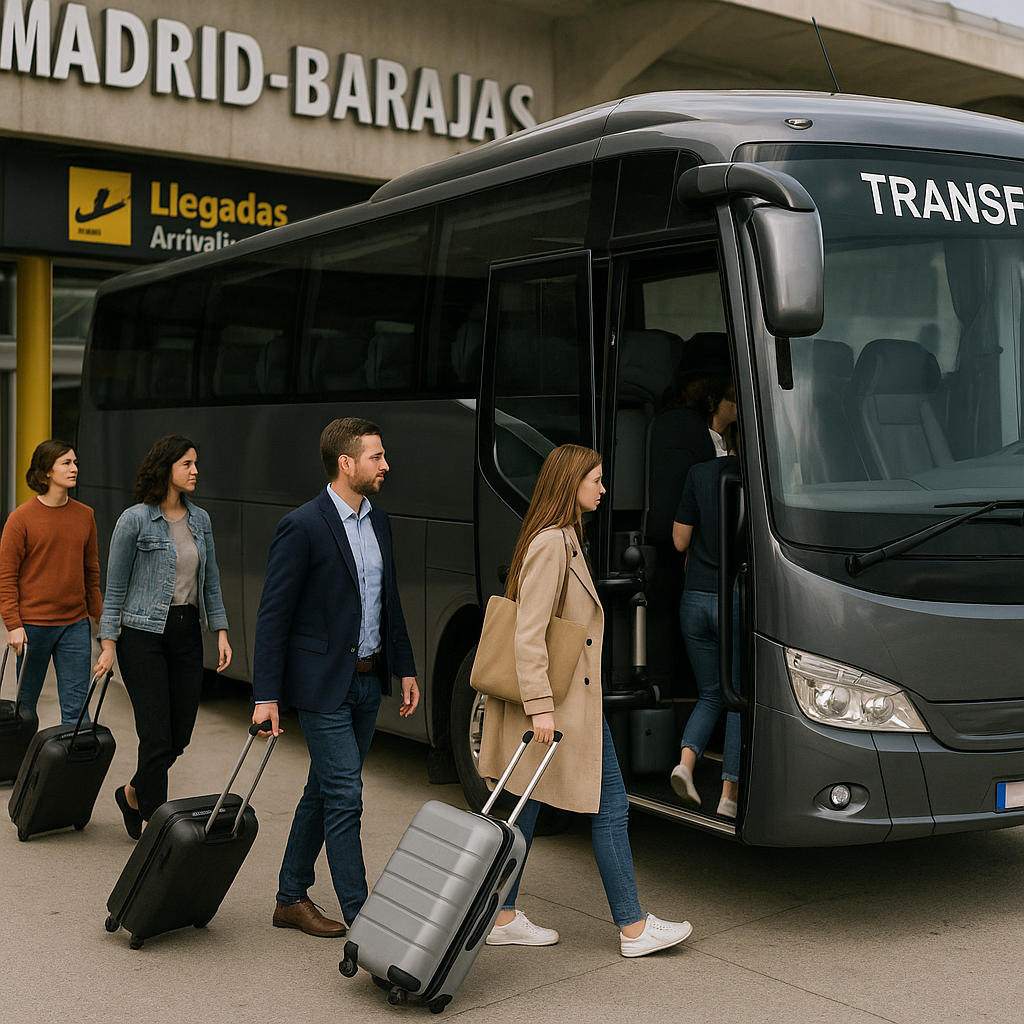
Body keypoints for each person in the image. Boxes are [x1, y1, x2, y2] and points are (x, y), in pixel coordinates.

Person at [478, 444, 693, 958]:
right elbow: (529, 634)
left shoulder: (567, 538)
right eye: (595, 479)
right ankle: (634, 929)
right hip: (560, 709)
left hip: (569, 707)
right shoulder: (553, 543)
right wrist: (541, 707)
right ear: (569, 484)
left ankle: (503, 915)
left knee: (524, 812)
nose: (602, 488)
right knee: (611, 808)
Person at [251, 417, 419, 938]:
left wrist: (406, 667)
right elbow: (273, 617)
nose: (386, 465)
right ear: (346, 464)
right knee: (346, 794)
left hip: (369, 682)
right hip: (323, 685)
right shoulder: (302, 525)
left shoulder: (380, 522)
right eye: (376, 457)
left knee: (323, 790)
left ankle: (289, 898)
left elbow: (388, 602)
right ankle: (363, 917)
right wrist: (267, 696)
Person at [99, 436, 232, 840]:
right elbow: (116, 586)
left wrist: (221, 631)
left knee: (179, 735)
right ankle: (159, 833)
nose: (195, 471)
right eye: (187, 464)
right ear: (166, 468)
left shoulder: (201, 520)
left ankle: (132, 793)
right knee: (156, 737)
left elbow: (210, 582)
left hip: (186, 634)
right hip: (142, 637)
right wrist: (108, 644)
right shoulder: (134, 520)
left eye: (196, 464)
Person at [0, 440, 110, 723]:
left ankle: (72, 768)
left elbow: (91, 572)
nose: (74, 469)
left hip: (74, 625)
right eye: (67, 463)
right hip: (32, 627)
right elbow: (6, 576)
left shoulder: (85, 515)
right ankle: (20, 768)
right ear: (47, 471)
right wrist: (13, 624)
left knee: (77, 711)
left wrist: (100, 619)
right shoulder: (20, 519)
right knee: (24, 712)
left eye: (75, 462)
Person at [669, 424, 742, 818]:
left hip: (694, 599)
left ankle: (685, 765)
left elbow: (680, 541)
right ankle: (728, 795)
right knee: (737, 697)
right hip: (733, 600)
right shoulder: (758, 482)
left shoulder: (699, 473)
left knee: (711, 692)